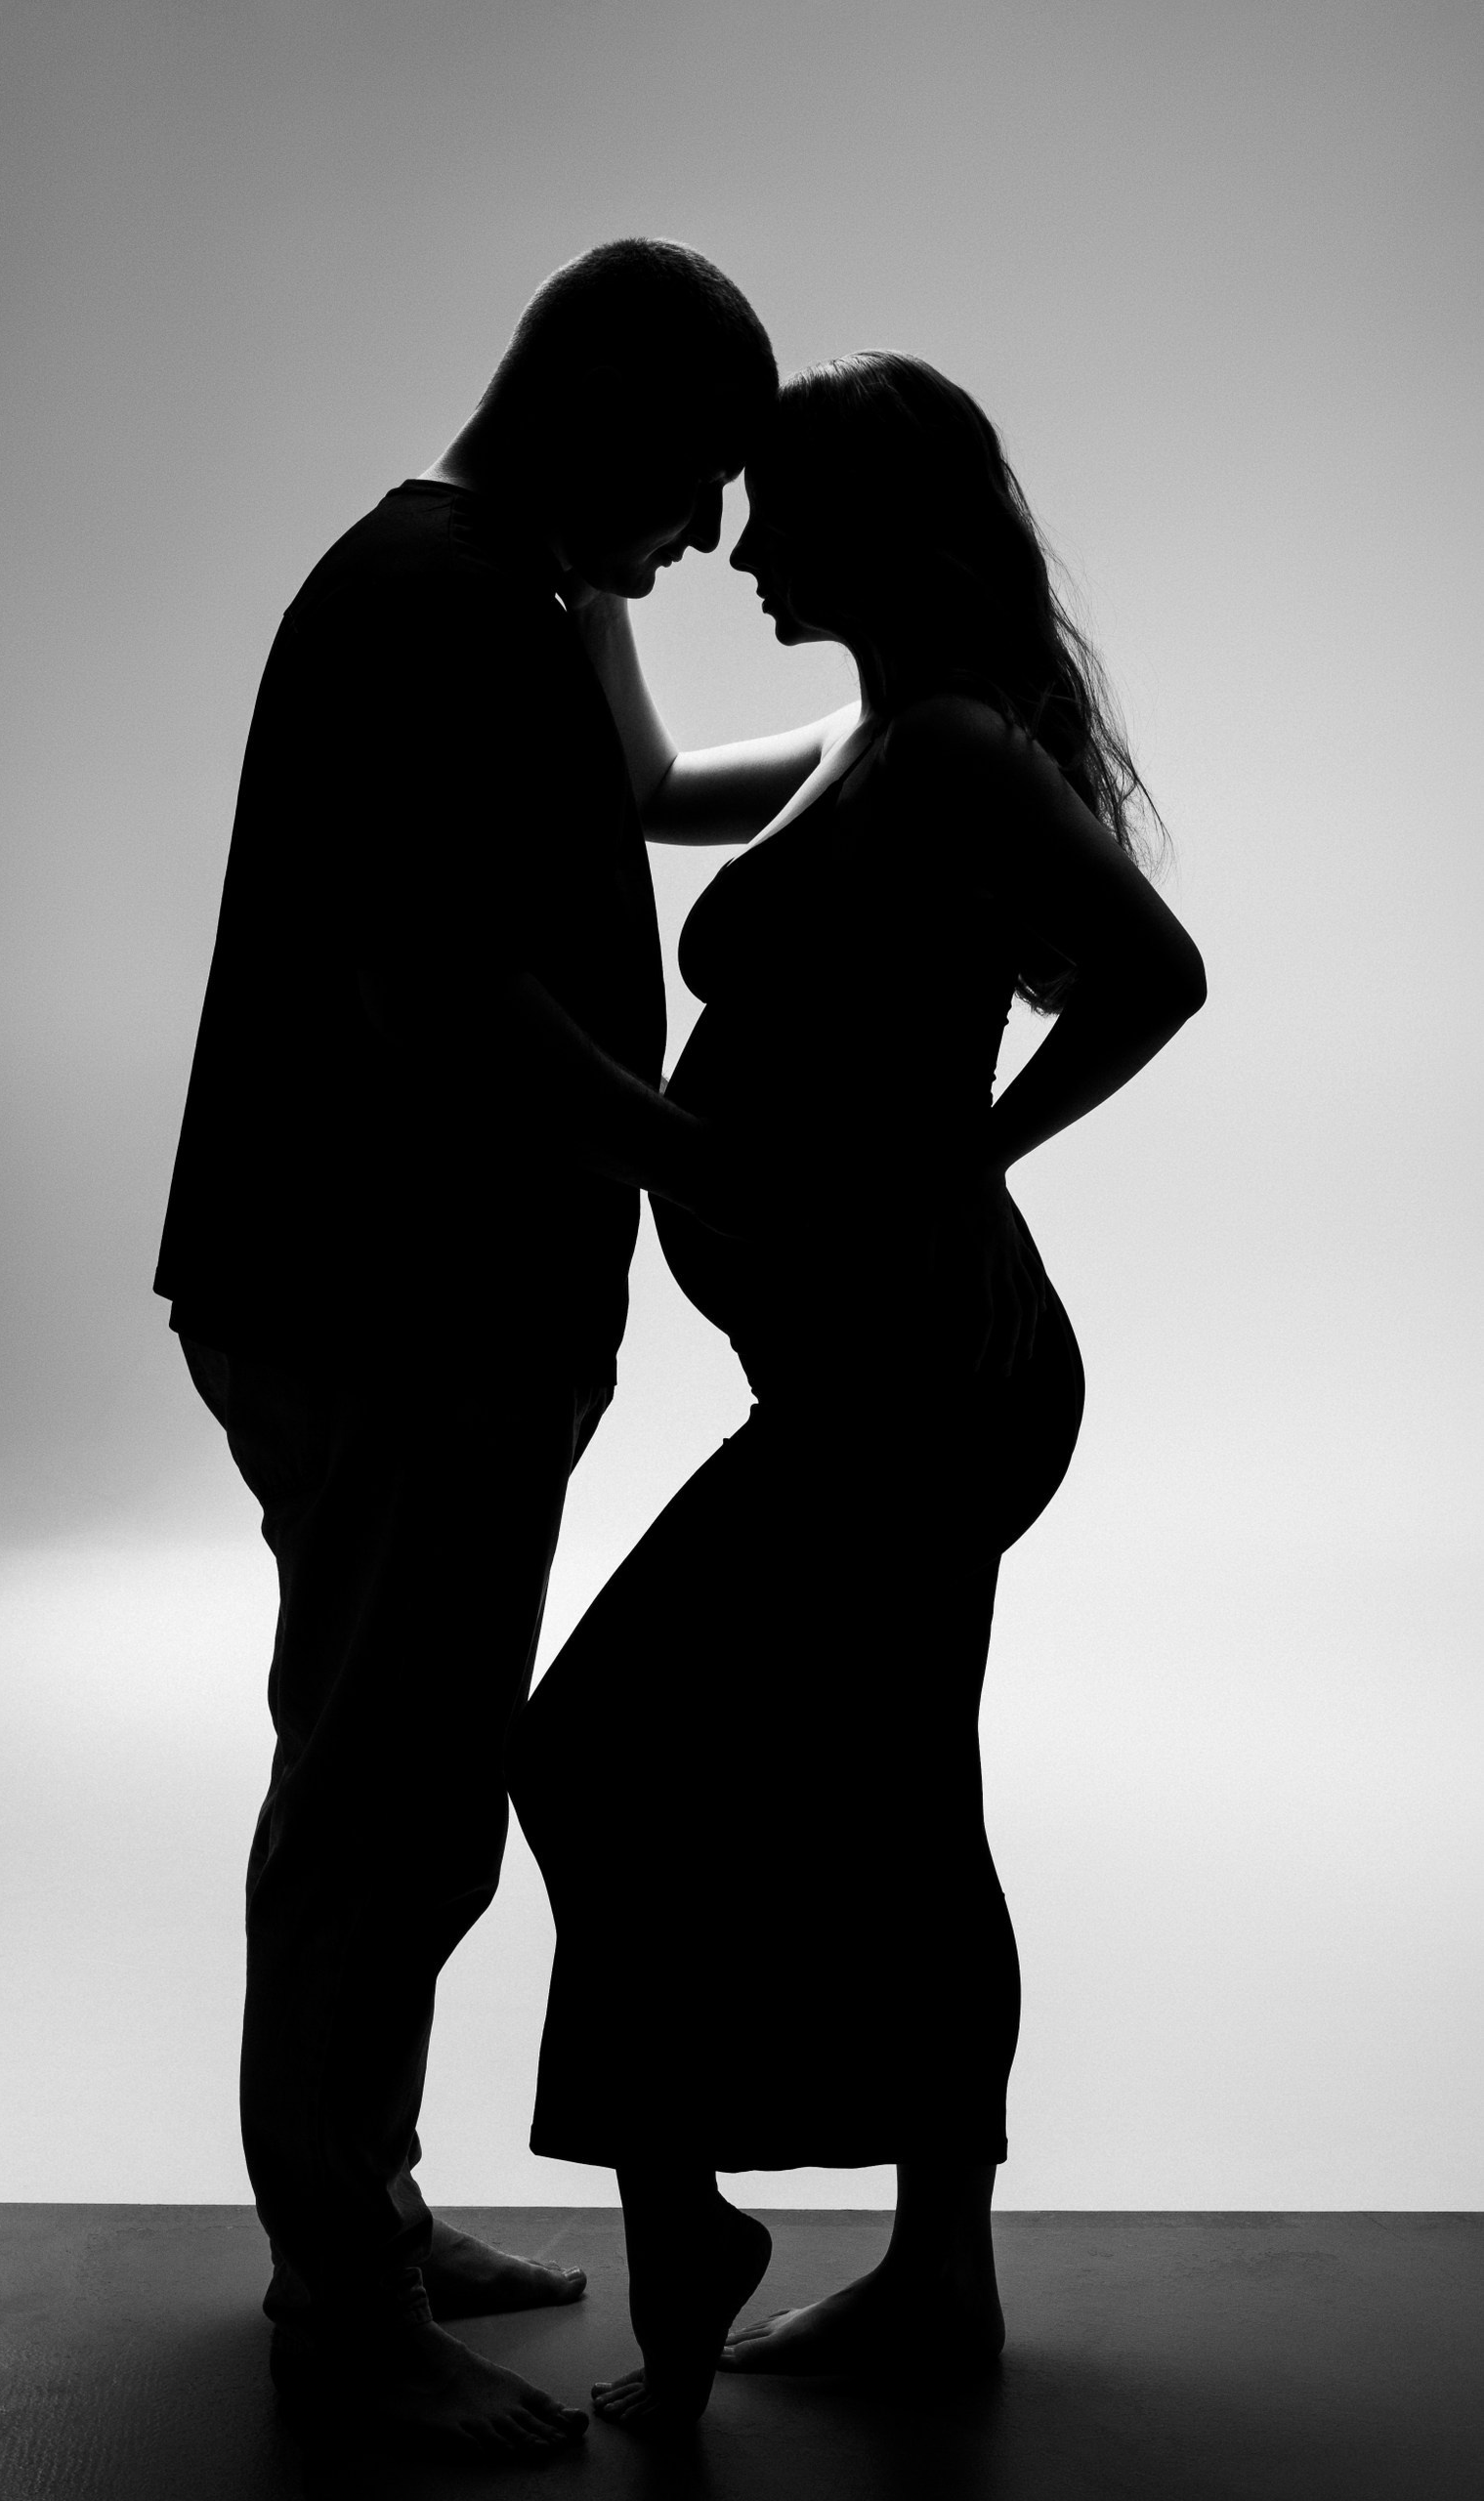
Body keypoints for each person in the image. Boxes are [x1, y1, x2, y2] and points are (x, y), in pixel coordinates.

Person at [509, 352, 1208, 2432]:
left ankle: (706, 2234)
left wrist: (962, 1156)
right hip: (865, 1368)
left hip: (919, 1373)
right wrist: (587, 571)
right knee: (899, 1802)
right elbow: (647, 786)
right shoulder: (864, 739)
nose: (741, 546)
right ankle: (931, 2279)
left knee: (594, 1746)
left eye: (777, 510)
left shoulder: (958, 751)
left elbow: (1154, 974)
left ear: (876, 529)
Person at [152, 238, 777, 2459]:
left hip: (400, 1299)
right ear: (598, 406)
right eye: (693, 477)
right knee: (382, 1798)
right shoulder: (436, 602)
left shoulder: (491, 591)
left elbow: (600, 835)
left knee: (397, 1780)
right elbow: (437, 989)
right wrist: (699, 1152)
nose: (704, 537)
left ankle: (369, 2217)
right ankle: (344, 2293)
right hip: (387, 1303)